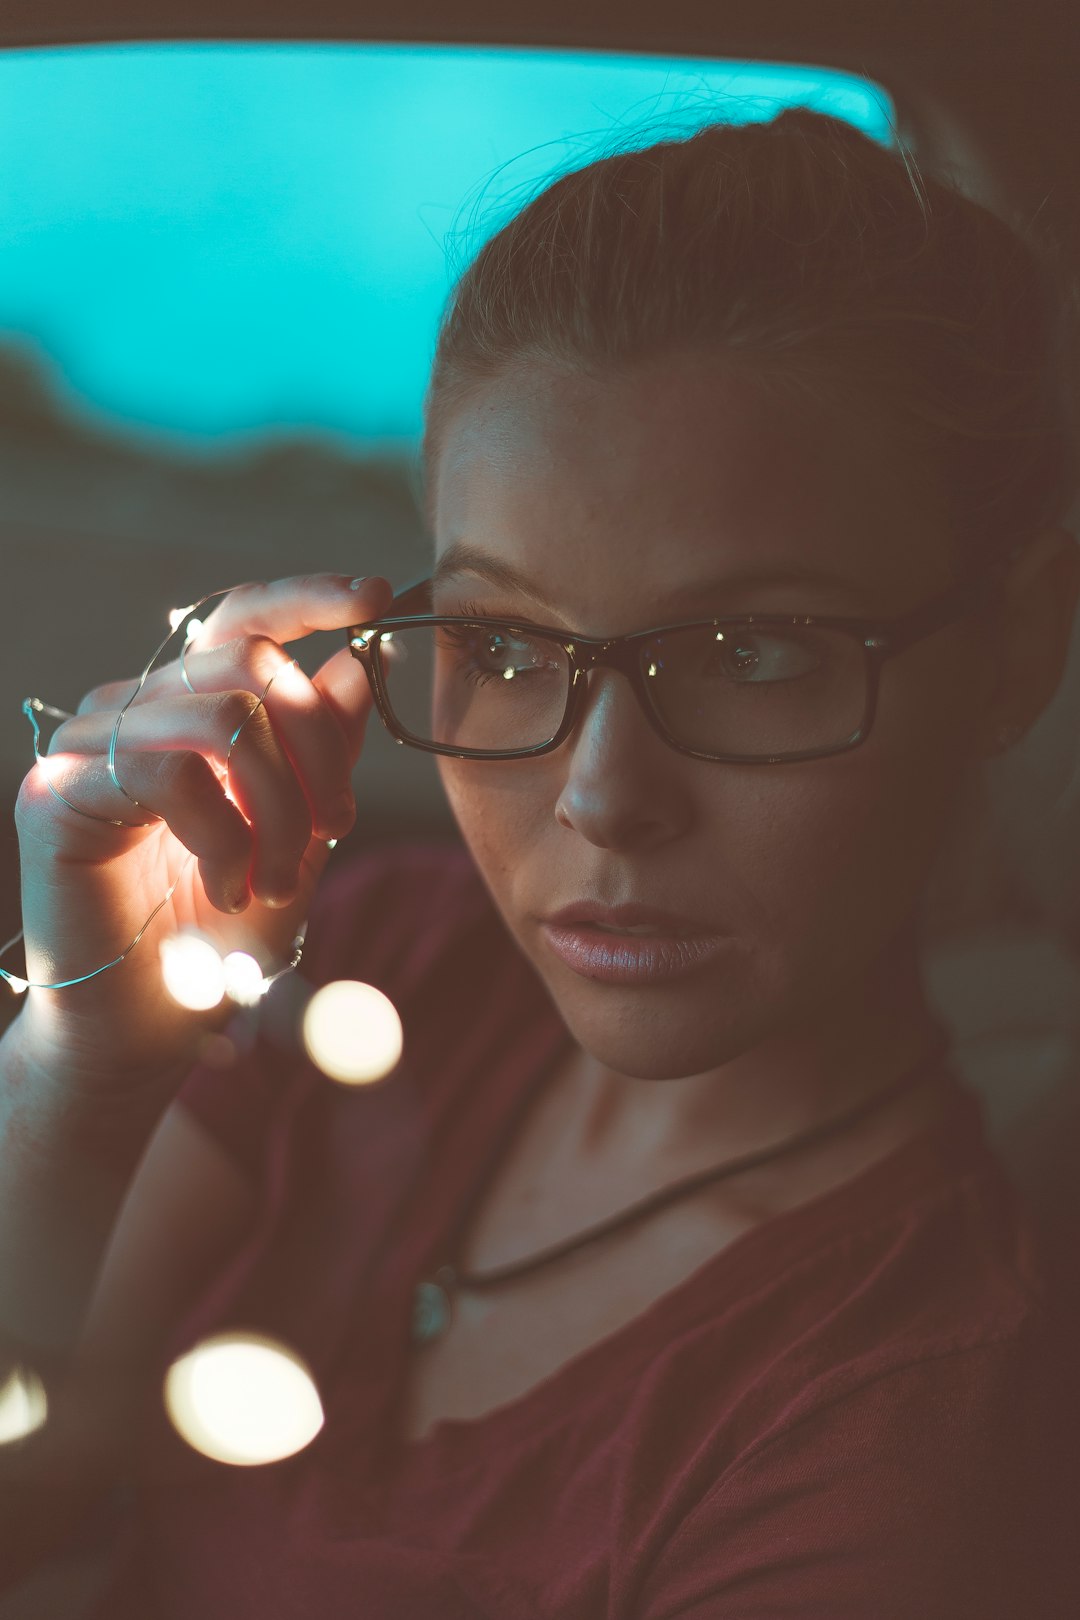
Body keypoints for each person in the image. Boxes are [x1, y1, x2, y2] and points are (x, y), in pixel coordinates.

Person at [1, 106, 1078, 1618]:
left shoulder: (893, 1432)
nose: (602, 798)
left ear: (1017, 647)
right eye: (504, 643)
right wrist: (79, 1065)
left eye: (748, 650)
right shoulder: (387, 969)